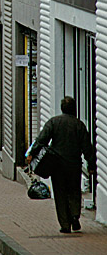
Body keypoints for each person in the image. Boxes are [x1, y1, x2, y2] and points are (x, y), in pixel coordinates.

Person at [26, 96, 94, 234]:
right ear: (74, 109)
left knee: (60, 193)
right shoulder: (79, 125)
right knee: (74, 191)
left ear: (62, 108)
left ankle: (65, 224)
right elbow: (87, 147)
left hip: (57, 165)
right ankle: (75, 215)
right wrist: (91, 165)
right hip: (74, 164)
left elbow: (41, 140)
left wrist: (31, 153)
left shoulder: (54, 122)